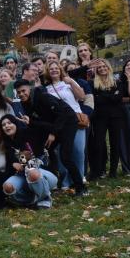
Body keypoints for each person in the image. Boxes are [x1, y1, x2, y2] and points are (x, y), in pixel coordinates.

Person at [14, 79, 88, 197]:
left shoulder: (43, 97)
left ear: (29, 88)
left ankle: (81, 187)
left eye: (23, 91)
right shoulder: (25, 103)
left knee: (65, 156)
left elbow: (62, 114)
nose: (22, 94)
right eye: (19, 92)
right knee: (45, 149)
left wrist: (53, 133)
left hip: (68, 122)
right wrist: (30, 122)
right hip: (53, 125)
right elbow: (38, 122)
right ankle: (52, 181)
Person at [43, 61, 87, 190]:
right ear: (48, 71)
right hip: (61, 122)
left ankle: (79, 177)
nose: (54, 70)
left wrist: (72, 82)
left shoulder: (68, 82)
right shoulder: (46, 88)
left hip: (76, 119)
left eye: (57, 68)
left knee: (78, 150)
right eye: (51, 69)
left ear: (61, 70)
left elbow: (82, 97)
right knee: (63, 152)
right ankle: (66, 180)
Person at [0, 114, 57, 209]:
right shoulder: (7, 144)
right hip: (22, 176)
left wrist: (31, 122)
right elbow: (11, 166)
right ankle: (31, 200)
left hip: (43, 173)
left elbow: (49, 127)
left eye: (9, 123)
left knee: (32, 171)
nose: (6, 126)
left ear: (16, 124)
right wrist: (13, 163)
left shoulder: (27, 132)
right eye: (3, 125)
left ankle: (45, 199)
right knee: (7, 187)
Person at [91, 59, 124, 179]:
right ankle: (99, 170)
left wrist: (102, 96)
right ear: (97, 70)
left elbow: (118, 98)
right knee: (98, 144)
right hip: (100, 117)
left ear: (108, 67)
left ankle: (113, 171)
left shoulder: (117, 81)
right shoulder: (93, 83)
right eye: (99, 67)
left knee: (115, 143)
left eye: (104, 66)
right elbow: (96, 99)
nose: (102, 68)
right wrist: (111, 96)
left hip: (116, 117)